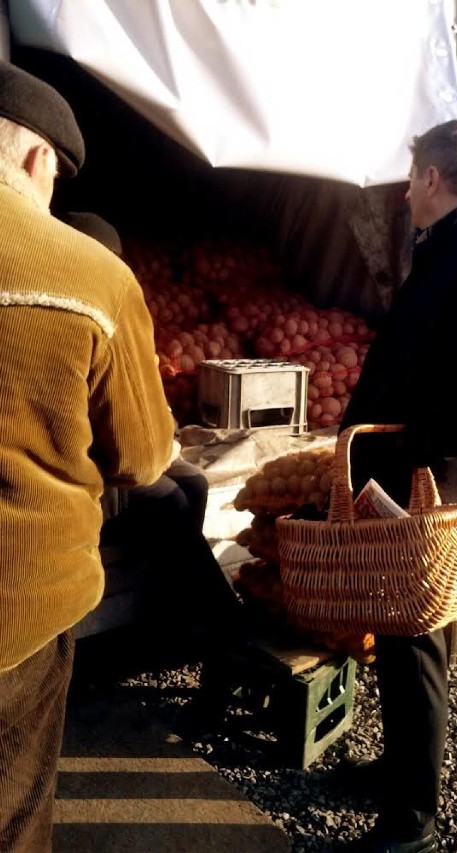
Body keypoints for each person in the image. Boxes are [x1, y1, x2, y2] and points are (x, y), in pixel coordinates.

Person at [0, 62, 176, 852]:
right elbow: (145, 456)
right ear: (40, 160)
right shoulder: (93, 278)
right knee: (13, 814)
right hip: (22, 612)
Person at [338, 120, 457, 852]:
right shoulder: (446, 251)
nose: (408, 188)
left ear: (434, 178)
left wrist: (414, 449)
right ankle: (397, 771)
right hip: (404, 476)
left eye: (414, 175)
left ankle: (410, 818)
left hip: (432, 487)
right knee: (397, 634)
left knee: (415, 642)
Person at [62, 211, 247, 723]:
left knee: (193, 480)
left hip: (111, 455)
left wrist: (160, 441)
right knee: (165, 498)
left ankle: (183, 622)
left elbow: (142, 414)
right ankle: (224, 627)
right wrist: (148, 446)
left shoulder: (115, 315)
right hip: (77, 465)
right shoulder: (71, 316)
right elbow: (116, 437)